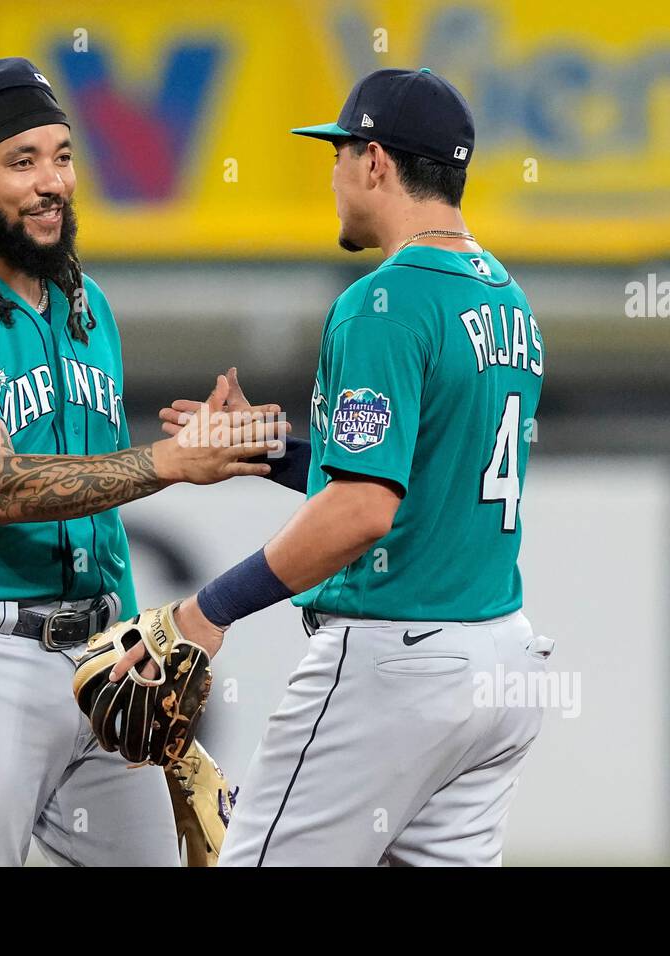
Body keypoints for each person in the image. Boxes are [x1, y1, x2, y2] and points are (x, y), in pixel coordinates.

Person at [0, 57, 283, 866]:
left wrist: (130, 635)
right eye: (22, 160)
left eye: (63, 155)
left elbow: (94, 509)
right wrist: (170, 463)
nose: (54, 182)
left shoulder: (85, 305)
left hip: (96, 665)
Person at [135, 67, 551, 866]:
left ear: (375, 162)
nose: (332, 174)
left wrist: (205, 613)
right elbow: (422, 475)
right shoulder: (508, 300)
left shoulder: (382, 302)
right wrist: (270, 452)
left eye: (339, 152)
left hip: (394, 664)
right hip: (499, 661)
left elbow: (365, 509)